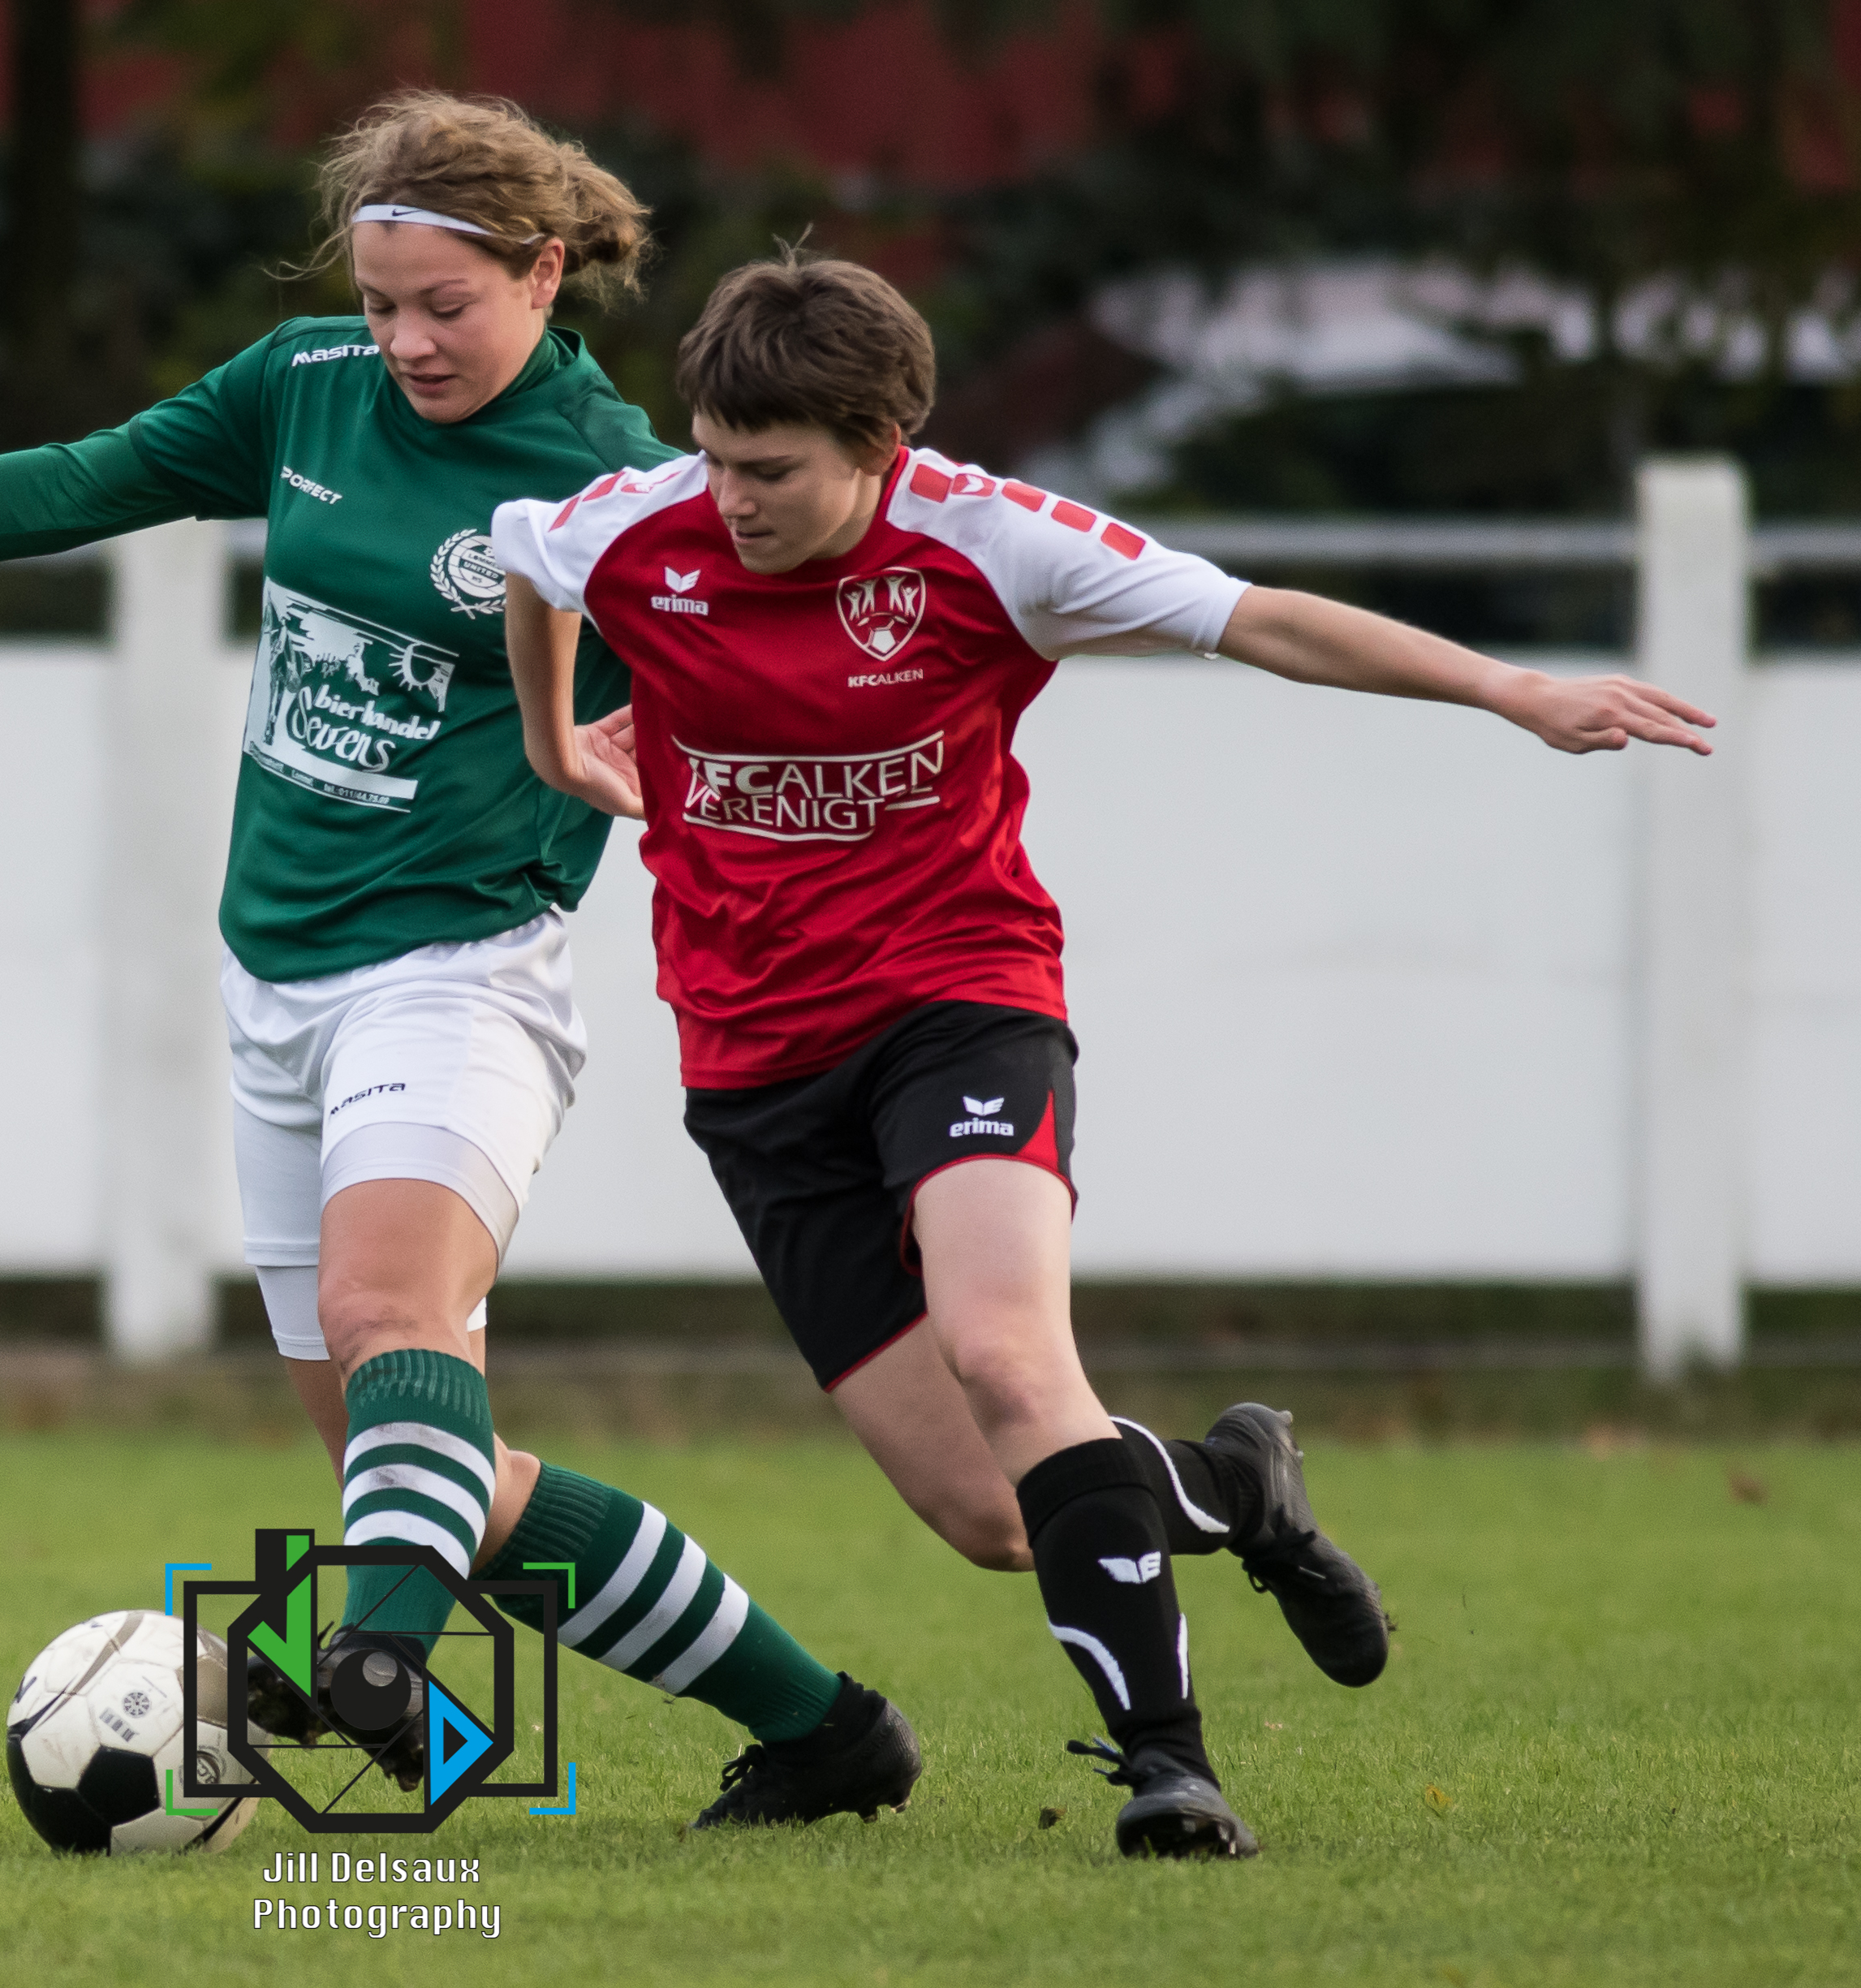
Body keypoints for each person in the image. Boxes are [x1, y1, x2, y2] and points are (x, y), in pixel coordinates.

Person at [0, 97, 917, 1828]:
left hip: (458, 972)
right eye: (380, 300)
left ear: (544, 271)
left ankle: (371, 1663)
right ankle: (824, 1733)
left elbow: (795, 661)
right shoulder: (303, 385)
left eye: (444, 306)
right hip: (273, 991)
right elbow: (79, 481)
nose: (404, 340)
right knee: (434, 1476)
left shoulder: (621, 482)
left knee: (386, 1323)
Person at [490, 250, 1716, 1858]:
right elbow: (528, 557)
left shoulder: (989, 539)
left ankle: (1168, 1769)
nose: (730, 499)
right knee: (991, 1516)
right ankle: (1235, 1486)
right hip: (751, 1067)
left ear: (880, 447)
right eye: (716, 458)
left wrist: (1510, 688)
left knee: (1010, 1358)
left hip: (956, 1003)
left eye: (771, 471)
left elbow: (1260, 619)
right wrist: (554, 743)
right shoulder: (638, 525)